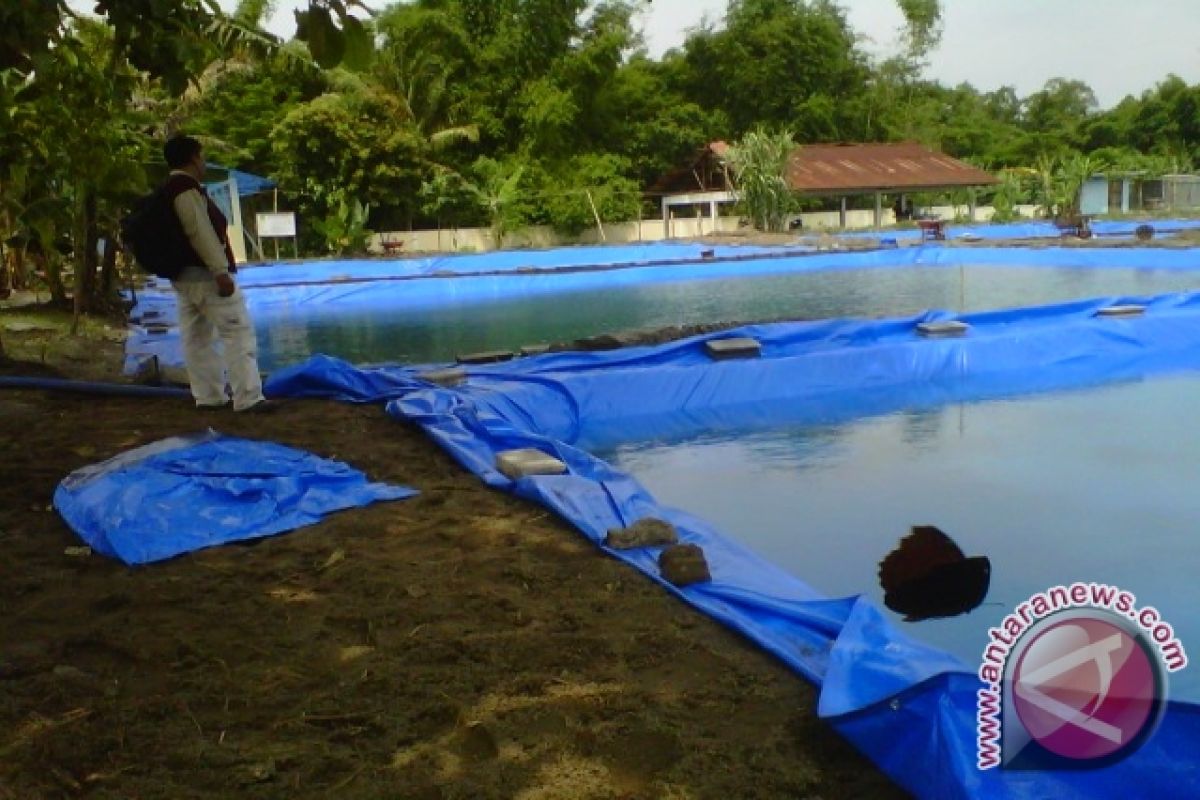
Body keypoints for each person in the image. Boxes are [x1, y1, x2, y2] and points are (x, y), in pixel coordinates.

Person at [161, 134, 276, 412]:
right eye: (201, 156)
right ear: (192, 159)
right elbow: (201, 233)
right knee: (236, 331)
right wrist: (220, 272)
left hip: (183, 276)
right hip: (205, 275)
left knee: (196, 337)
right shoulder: (185, 190)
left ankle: (208, 396)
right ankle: (248, 397)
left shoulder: (166, 190)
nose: (203, 162)